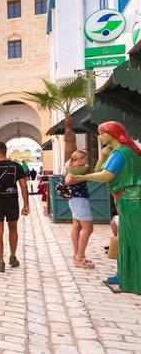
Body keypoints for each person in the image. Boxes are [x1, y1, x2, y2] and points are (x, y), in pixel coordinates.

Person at [71, 121, 141, 294]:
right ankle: (125, 272)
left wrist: (83, 177)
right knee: (125, 237)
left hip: (131, 198)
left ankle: (133, 277)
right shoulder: (118, 152)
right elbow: (101, 169)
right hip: (126, 198)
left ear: (113, 133)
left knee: (133, 238)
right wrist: (102, 156)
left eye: (102, 133)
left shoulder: (121, 152)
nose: (99, 136)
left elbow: (106, 175)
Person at [0, 141, 29, 272]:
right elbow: (23, 186)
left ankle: (0, 261)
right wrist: (26, 204)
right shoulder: (16, 166)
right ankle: (13, 257)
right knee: (13, 229)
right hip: (12, 201)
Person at [64, 150, 94, 269]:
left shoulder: (76, 167)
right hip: (79, 200)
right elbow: (69, 180)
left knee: (77, 227)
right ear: (80, 159)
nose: (86, 160)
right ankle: (79, 257)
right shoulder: (76, 168)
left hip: (75, 200)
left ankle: (77, 255)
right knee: (88, 229)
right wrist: (86, 177)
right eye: (85, 158)